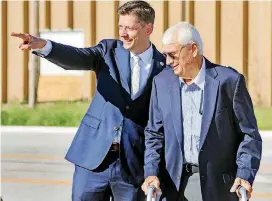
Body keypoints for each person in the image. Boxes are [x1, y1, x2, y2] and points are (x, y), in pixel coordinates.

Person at [11, 1, 166, 201]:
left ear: (148, 28)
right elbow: (78, 56)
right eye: (120, 26)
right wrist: (44, 46)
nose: (123, 33)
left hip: (131, 163)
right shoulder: (108, 50)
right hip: (93, 159)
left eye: (130, 28)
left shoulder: (163, 67)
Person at [141, 22, 262, 201]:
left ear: (193, 49)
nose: (168, 61)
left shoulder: (229, 82)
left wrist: (245, 173)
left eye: (172, 55)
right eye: (166, 55)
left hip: (216, 187)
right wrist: (151, 171)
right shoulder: (161, 82)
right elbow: (154, 134)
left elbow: (249, 135)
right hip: (172, 186)